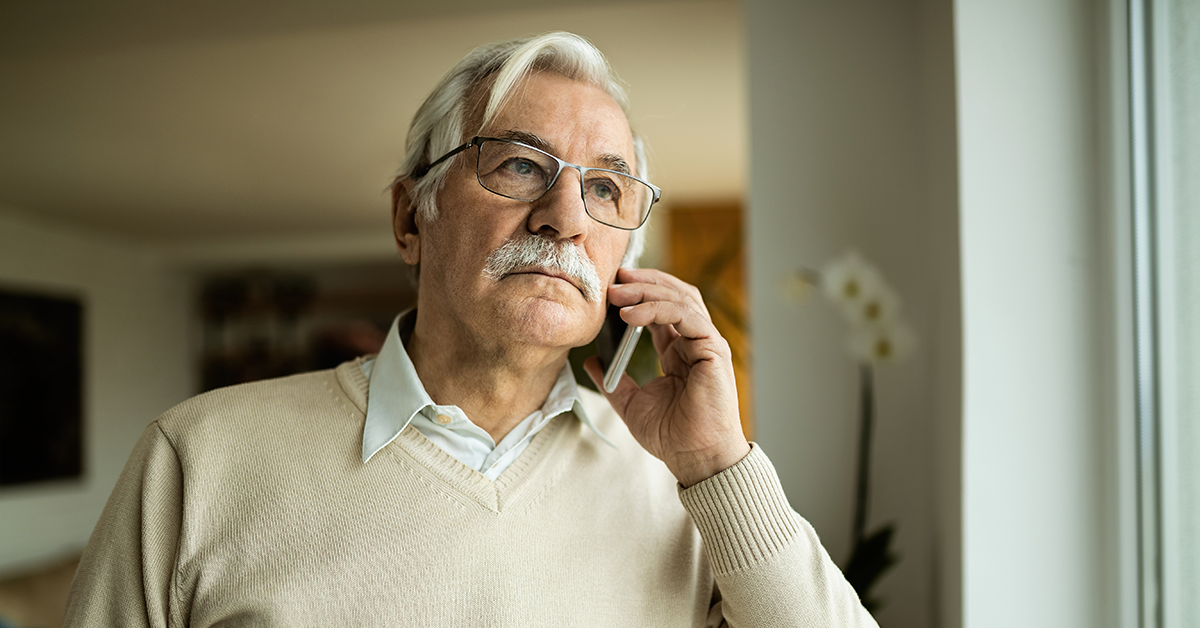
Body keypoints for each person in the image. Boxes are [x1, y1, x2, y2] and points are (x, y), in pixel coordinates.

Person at [64, 32, 877, 627]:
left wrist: (717, 464)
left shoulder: (687, 491)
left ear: (623, 254)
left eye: (605, 189)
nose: (566, 218)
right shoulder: (197, 458)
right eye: (520, 164)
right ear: (409, 219)